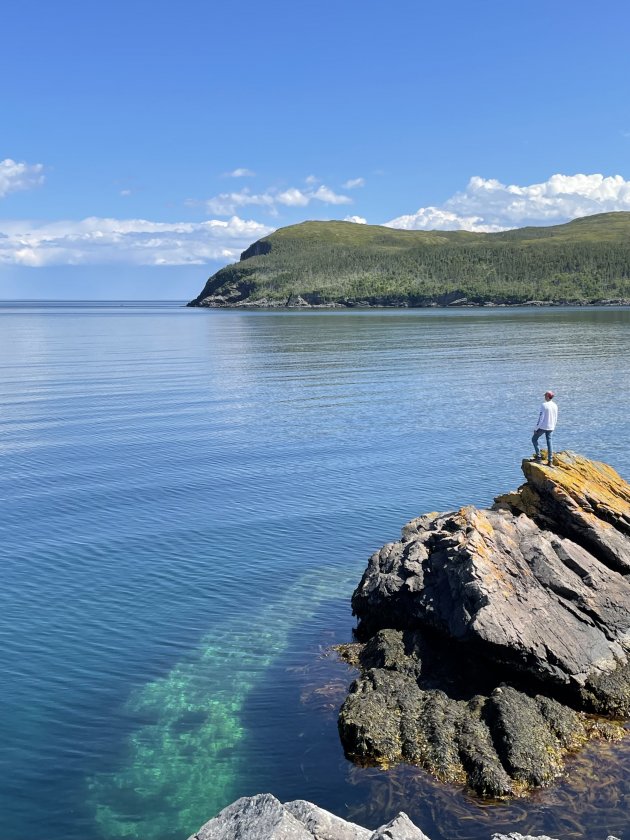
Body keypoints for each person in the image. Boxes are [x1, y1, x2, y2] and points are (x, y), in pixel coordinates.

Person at [532, 391, 558, 466]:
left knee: (534, 439)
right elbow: (556, 417)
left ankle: (538, 458)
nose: (544, 397)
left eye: (545, 396)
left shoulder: (544, 405)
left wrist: (536, 428)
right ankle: (550, 461)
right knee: (549, 442)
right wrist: (553, 426)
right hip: (551, 427)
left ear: (547, 396)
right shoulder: (555, 405)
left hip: (543, 426)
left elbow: (541, 418)